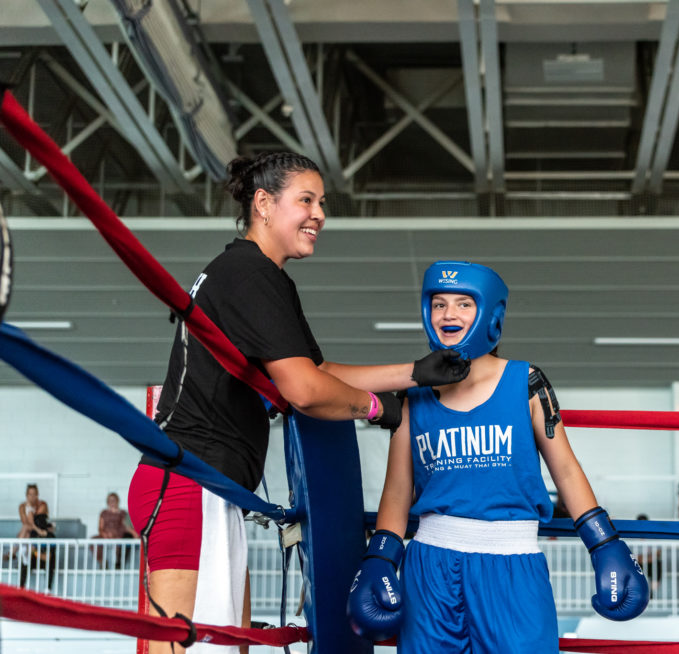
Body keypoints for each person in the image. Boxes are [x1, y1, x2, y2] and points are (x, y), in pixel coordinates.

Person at [127, 152, 470, 654]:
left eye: (322, 203)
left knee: (221, 646)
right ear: (263, 204)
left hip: (207, 485)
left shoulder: (257, 274)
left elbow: (318, 371)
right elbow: (304, 390)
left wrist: (414, 373)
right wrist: (377, 410)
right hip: (188, 482)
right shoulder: (248, 274)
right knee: (185, 648)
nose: (320, 214)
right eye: (306, 200)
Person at [346, 261, 648, 653]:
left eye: (462, 303)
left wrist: (604, 543)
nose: (448, 313)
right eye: (438, 304)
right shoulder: (413, 393)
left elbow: (567, 472)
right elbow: (399, 487)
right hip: (431, 564)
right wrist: (381, 558)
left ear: (490, 313)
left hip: (512, 562)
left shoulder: (526, 382)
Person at [93, 492, 138, 569]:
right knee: (94, 540)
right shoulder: (103, 513)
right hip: (105, 535)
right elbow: (100, 527)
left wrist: (134, 533)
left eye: (113, 500)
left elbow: (125, 525)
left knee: (124, 541)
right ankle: (102, 562)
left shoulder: (122, 513)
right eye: (110, 500)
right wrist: (104, 534)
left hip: (118, 535)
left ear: (117, 501)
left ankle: (118, 563)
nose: (112, 502)